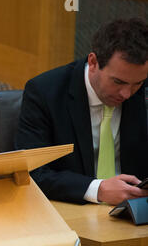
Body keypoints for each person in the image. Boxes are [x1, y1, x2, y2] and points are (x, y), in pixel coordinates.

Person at [16, 17, 148, 207]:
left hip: (137, 209)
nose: (127, 94)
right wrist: (98, 189)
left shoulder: (143, 90)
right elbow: (33, 173)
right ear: (93, 62)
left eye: (137, 83)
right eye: (118, 82)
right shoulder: (44, 92)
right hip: (73, 209)